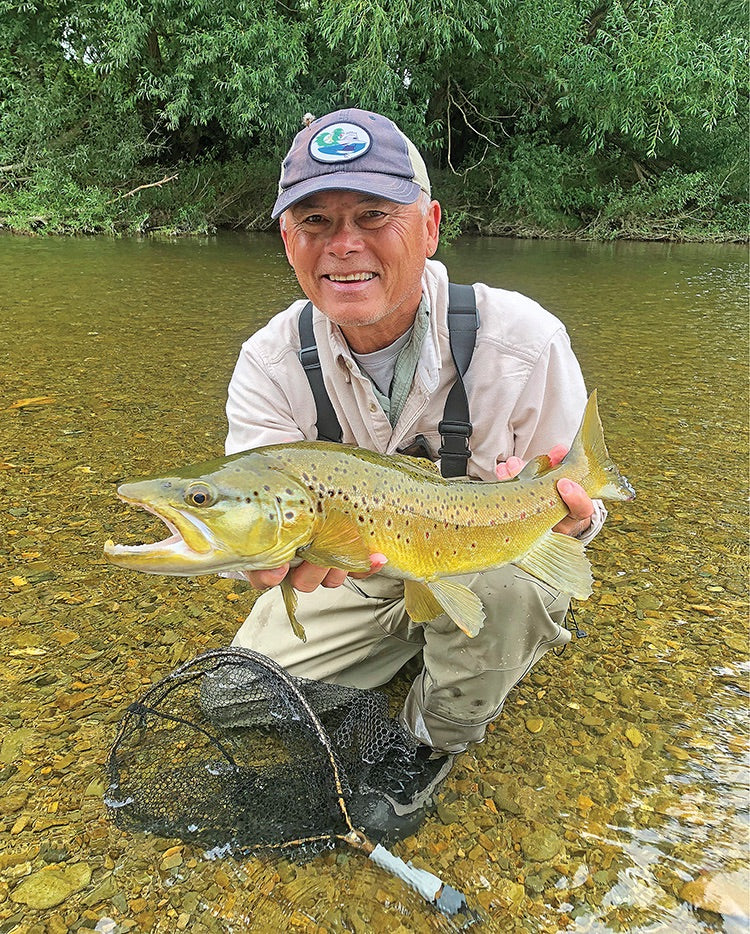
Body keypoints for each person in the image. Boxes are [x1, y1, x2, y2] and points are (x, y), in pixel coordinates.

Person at [224, 108, 606, 834]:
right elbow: (250, 513)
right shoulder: (268, 363)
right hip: (357, 571)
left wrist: (578, 514)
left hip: (480, 562)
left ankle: (433, 735)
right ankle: (423, 640)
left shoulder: (525, 340)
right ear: (286, 239)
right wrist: (256, 560)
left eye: (374, 215)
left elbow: (576, 513)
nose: (344, 245)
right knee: (241, 699)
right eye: (315, 222)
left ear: (430, 226)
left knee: (513, 581)